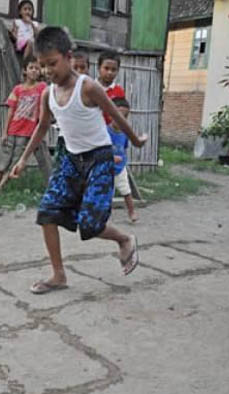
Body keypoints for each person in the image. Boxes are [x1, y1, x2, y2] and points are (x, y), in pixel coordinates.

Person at [10, 27, 148, 294]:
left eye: (53, 63)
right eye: (42, 65)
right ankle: (58, 275)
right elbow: (41, 127)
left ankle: (123, 239)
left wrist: (135, 139)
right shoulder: (47, 94)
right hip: (71, 160)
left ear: (68, 56)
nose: (48, 71)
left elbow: (115, 116)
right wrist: (24, 158)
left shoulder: (88, 87)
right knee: (47, 213)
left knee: (90, 224)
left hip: (100, 159)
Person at [0, 56, 51, 194]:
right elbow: (10, 111)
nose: (34, 71)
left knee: (15, 161)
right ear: (25, 71)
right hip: (13, 130)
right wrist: (5, 132)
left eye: (37, 68)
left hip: (27, 132)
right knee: (3, 159)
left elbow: (50, 89)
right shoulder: (17, 89)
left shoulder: (42, 87)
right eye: (31, 68)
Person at [108, 97, 138, 223]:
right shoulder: (105, 132)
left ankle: (131, 212)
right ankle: (105, 214)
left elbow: (124, 148)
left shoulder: (125, 133)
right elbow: (100, 151)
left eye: (124, 117)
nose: (121, 120)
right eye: (118, 116)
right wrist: (111, 157)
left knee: (126, 190)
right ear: (111, 114)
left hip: (120, 168)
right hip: (107, 169)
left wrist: (122, 160)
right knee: (107, 193)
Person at [97, 51, 126, 126]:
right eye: (106, 68)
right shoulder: (91, 88)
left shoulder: (119, 91)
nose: (109, 72)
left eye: (113, 70)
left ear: (118, 70)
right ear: (99, 68)